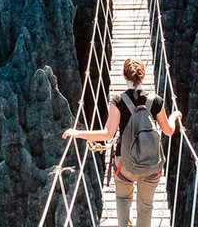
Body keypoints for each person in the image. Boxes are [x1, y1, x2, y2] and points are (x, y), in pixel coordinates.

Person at [62, 59, 183, 227]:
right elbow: (169, 131)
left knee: (123, 199)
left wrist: (78, 133)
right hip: (151, 164)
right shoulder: (156, 101)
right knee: (146, 208)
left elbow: (107, 134)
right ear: (144, 76)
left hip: (125, 163)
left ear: (124, 76)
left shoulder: (118, 101)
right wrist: (174, 116)